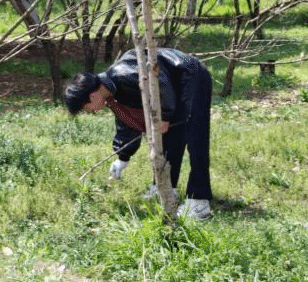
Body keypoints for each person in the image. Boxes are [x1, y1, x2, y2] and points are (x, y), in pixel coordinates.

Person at [64, 48, 213, 219]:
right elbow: (127, 122)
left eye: (85, 109)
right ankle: (166, 188)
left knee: (196, 138)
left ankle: (199, 201)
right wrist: (123, 157)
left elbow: (161, 82)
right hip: (174, 87)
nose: (90, 112)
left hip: (190, 75)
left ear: (91, 97)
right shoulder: (112, 93)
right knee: (170, 139)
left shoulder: (125, 74)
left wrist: (165, 115)